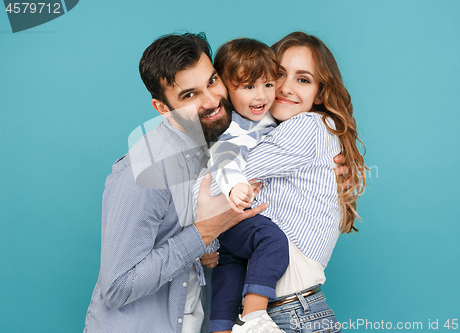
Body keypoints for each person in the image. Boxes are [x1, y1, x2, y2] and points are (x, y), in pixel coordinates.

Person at [82, 32, 268, 333]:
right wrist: (205, 232)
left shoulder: (218, 144)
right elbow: (117, 287)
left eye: (212, 81)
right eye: (189, 95)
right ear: (163, 108)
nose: (212, 101)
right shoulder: (144, 170)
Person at [219, 32, 368, 333]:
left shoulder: (307, 126)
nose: (286, 88)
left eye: (303, 79)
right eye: (278, 75)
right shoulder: (268, 132)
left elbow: (213, 184)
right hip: (291, 311)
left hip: (287, 314)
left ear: (321, 92)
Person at [191, 38, 290, 333]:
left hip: (231, 227)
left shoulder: (267, 119)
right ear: (226, 90)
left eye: (268, 85)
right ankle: (255, 318)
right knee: (272, 241)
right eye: (249, 87)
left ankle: (221, 328)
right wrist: (235, 186)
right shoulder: (234, 126)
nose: (261, 95)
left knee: (229, 270)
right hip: (235, 211)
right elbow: (224, 155)